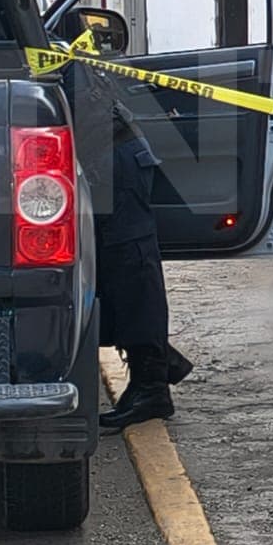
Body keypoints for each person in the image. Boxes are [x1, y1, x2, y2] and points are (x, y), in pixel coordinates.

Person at [61, 57, 193, 431]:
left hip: (111, 162)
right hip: (98, 159)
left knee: (131, 271)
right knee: (105, 274)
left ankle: (152, 387)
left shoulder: (32, 44)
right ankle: (157, 363)